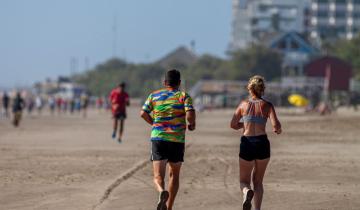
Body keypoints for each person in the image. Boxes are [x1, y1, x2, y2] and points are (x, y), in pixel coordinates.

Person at [140, 69, 196, 210]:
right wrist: (192, 124)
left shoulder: (154, 95)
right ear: (179, 83)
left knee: (158, 175)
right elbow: (190, 115)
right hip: (177, 140)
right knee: (174, 175)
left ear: (165, 82)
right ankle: (169, 207)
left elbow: (143, 113)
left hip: (158, 138)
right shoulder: (183, 96)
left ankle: (161, 191)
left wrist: (154, 123)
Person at [230, 75, 281, 210]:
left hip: (247, 143)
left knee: (244, 181)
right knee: (258, 182)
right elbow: (276, 126)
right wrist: (278, 129)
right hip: (262, 143)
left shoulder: (243, 104)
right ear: (262, 89)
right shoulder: (267, 105)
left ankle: (247, 192)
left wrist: (245, 125)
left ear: (249, 88)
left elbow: (233, 124)